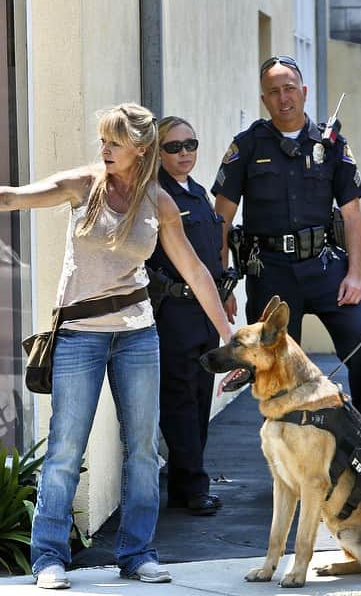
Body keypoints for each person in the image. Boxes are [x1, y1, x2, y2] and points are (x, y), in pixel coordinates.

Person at [0, 103, 233, 590]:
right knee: (66, 448)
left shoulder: (159, 203)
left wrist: (229, 335)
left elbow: (195, 270)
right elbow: (12, 198)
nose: (104, 148)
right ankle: (48, 557)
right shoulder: (83, 186)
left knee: (144, 450)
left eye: (114, 141)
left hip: (137, 336)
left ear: (140, 148)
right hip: (79, 337)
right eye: (102, 140)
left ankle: (137, 552)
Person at [211, 55, 361, 443]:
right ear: (264, 99)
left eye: (289, 89)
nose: (283, 97)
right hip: (269, 270)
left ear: (304, 92)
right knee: (277, 369)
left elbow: (352, 216)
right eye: (273, 91)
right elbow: (220, 219)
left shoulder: (331, 144)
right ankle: (288, 451)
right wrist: (223, 285)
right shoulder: (246, 146)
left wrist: (355, 275)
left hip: (325, 268)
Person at [146, 116, 227, 516]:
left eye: (190, 145)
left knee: (199, 397)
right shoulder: (156, 195)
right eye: (174, 147)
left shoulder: (196, 193)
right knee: (179, 398)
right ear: (158, 153)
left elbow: (210, 256)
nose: (184, 154)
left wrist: (224, 297)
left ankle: (185, 481)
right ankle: (193, 484)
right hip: (173, 312)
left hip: (203, 314)